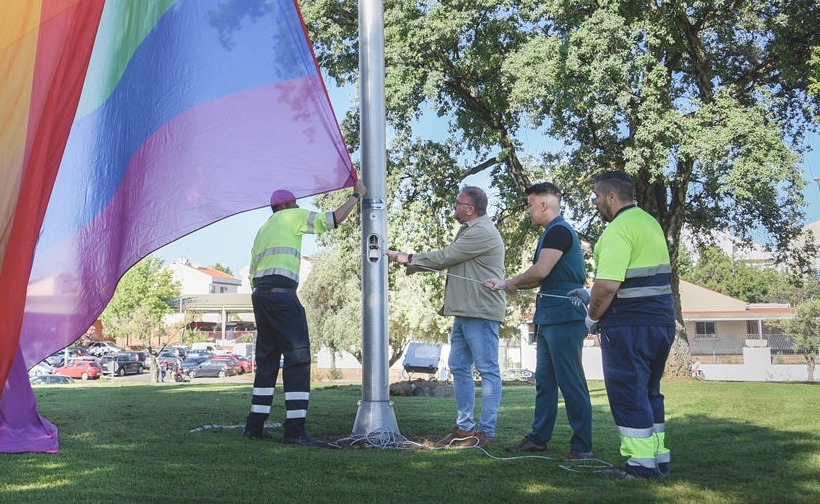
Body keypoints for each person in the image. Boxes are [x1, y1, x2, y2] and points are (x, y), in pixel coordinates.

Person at [242, 179, 367, 447]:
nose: (299, 205)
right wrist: (356, 196)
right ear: (285, 205)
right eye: (295, 202)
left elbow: (252, 272)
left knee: (267, 362)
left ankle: (254, 426)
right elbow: (333, 220)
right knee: (298, 359)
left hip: (260, 297)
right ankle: (295, 431)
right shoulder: (291, 216)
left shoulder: (263, 230)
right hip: (283, 296)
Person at [386, 186, 505, 446]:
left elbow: (446, 257)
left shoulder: (482, 231)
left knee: (487, 370)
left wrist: (407, 258)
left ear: (470, 209)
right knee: (459, 367)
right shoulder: (471, 229)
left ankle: (486, 432)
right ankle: (464, 428)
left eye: (457, 203)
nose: (454, 207)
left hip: (481, 312)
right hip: (464, 311)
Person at [484, 182, 592, 459]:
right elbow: (543, 276)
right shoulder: (552, 232)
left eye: (531, 205)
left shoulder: (558, 231)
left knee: (571, 382)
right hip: (549, 317)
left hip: (565, 318)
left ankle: (582, 446)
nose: (529, 211)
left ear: (544, 204)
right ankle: (539, 438)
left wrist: (510, 283)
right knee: (545, 381)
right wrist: (511, 284)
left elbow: (540, 271)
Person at [585, 170, 675, 480]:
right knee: (650, 393)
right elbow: (639, 278)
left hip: (628, 325)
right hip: (661, 322)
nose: (595, 202)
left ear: (611, 197)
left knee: (627, 392)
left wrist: (592, 318)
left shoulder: (616, 231)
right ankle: (657, 458)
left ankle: (639, 466)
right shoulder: (650, 223)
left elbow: (607, 286)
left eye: (597, 196)